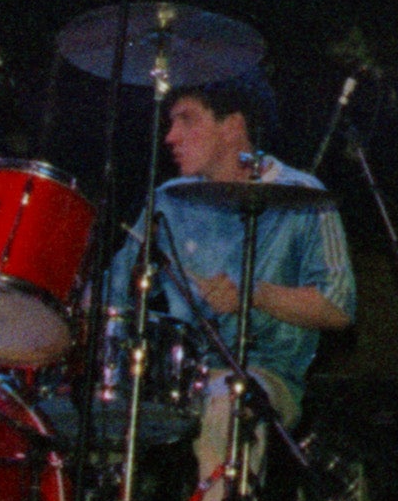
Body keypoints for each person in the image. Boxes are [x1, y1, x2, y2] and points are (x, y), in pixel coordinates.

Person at [148, 72, 355, 420]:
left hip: (264, 375)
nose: (170, 137)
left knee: (225, 403)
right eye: (171, 123)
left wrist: (253, 294)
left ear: (232, 127)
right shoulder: (168, 200)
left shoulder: (305, 197)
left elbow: (338, 307)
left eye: (187, 120)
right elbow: (117, 291)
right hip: (172, 374)